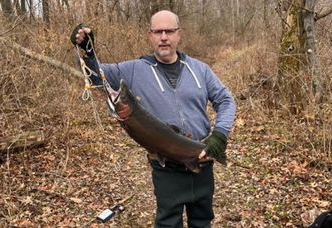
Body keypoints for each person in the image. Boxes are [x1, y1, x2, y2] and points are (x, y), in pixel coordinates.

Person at [70, 10, 236, 228]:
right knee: (168, 223)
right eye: (158, 32)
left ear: (179, 34)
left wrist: (220, 135)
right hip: (165, 167)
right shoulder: (134, 70)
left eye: (169, 31)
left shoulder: (199, 69)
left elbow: (226, 100)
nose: (164, 37)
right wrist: (87, 51)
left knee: (203, 221)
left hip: (202, 158)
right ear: (150, 35)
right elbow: (95, 78)